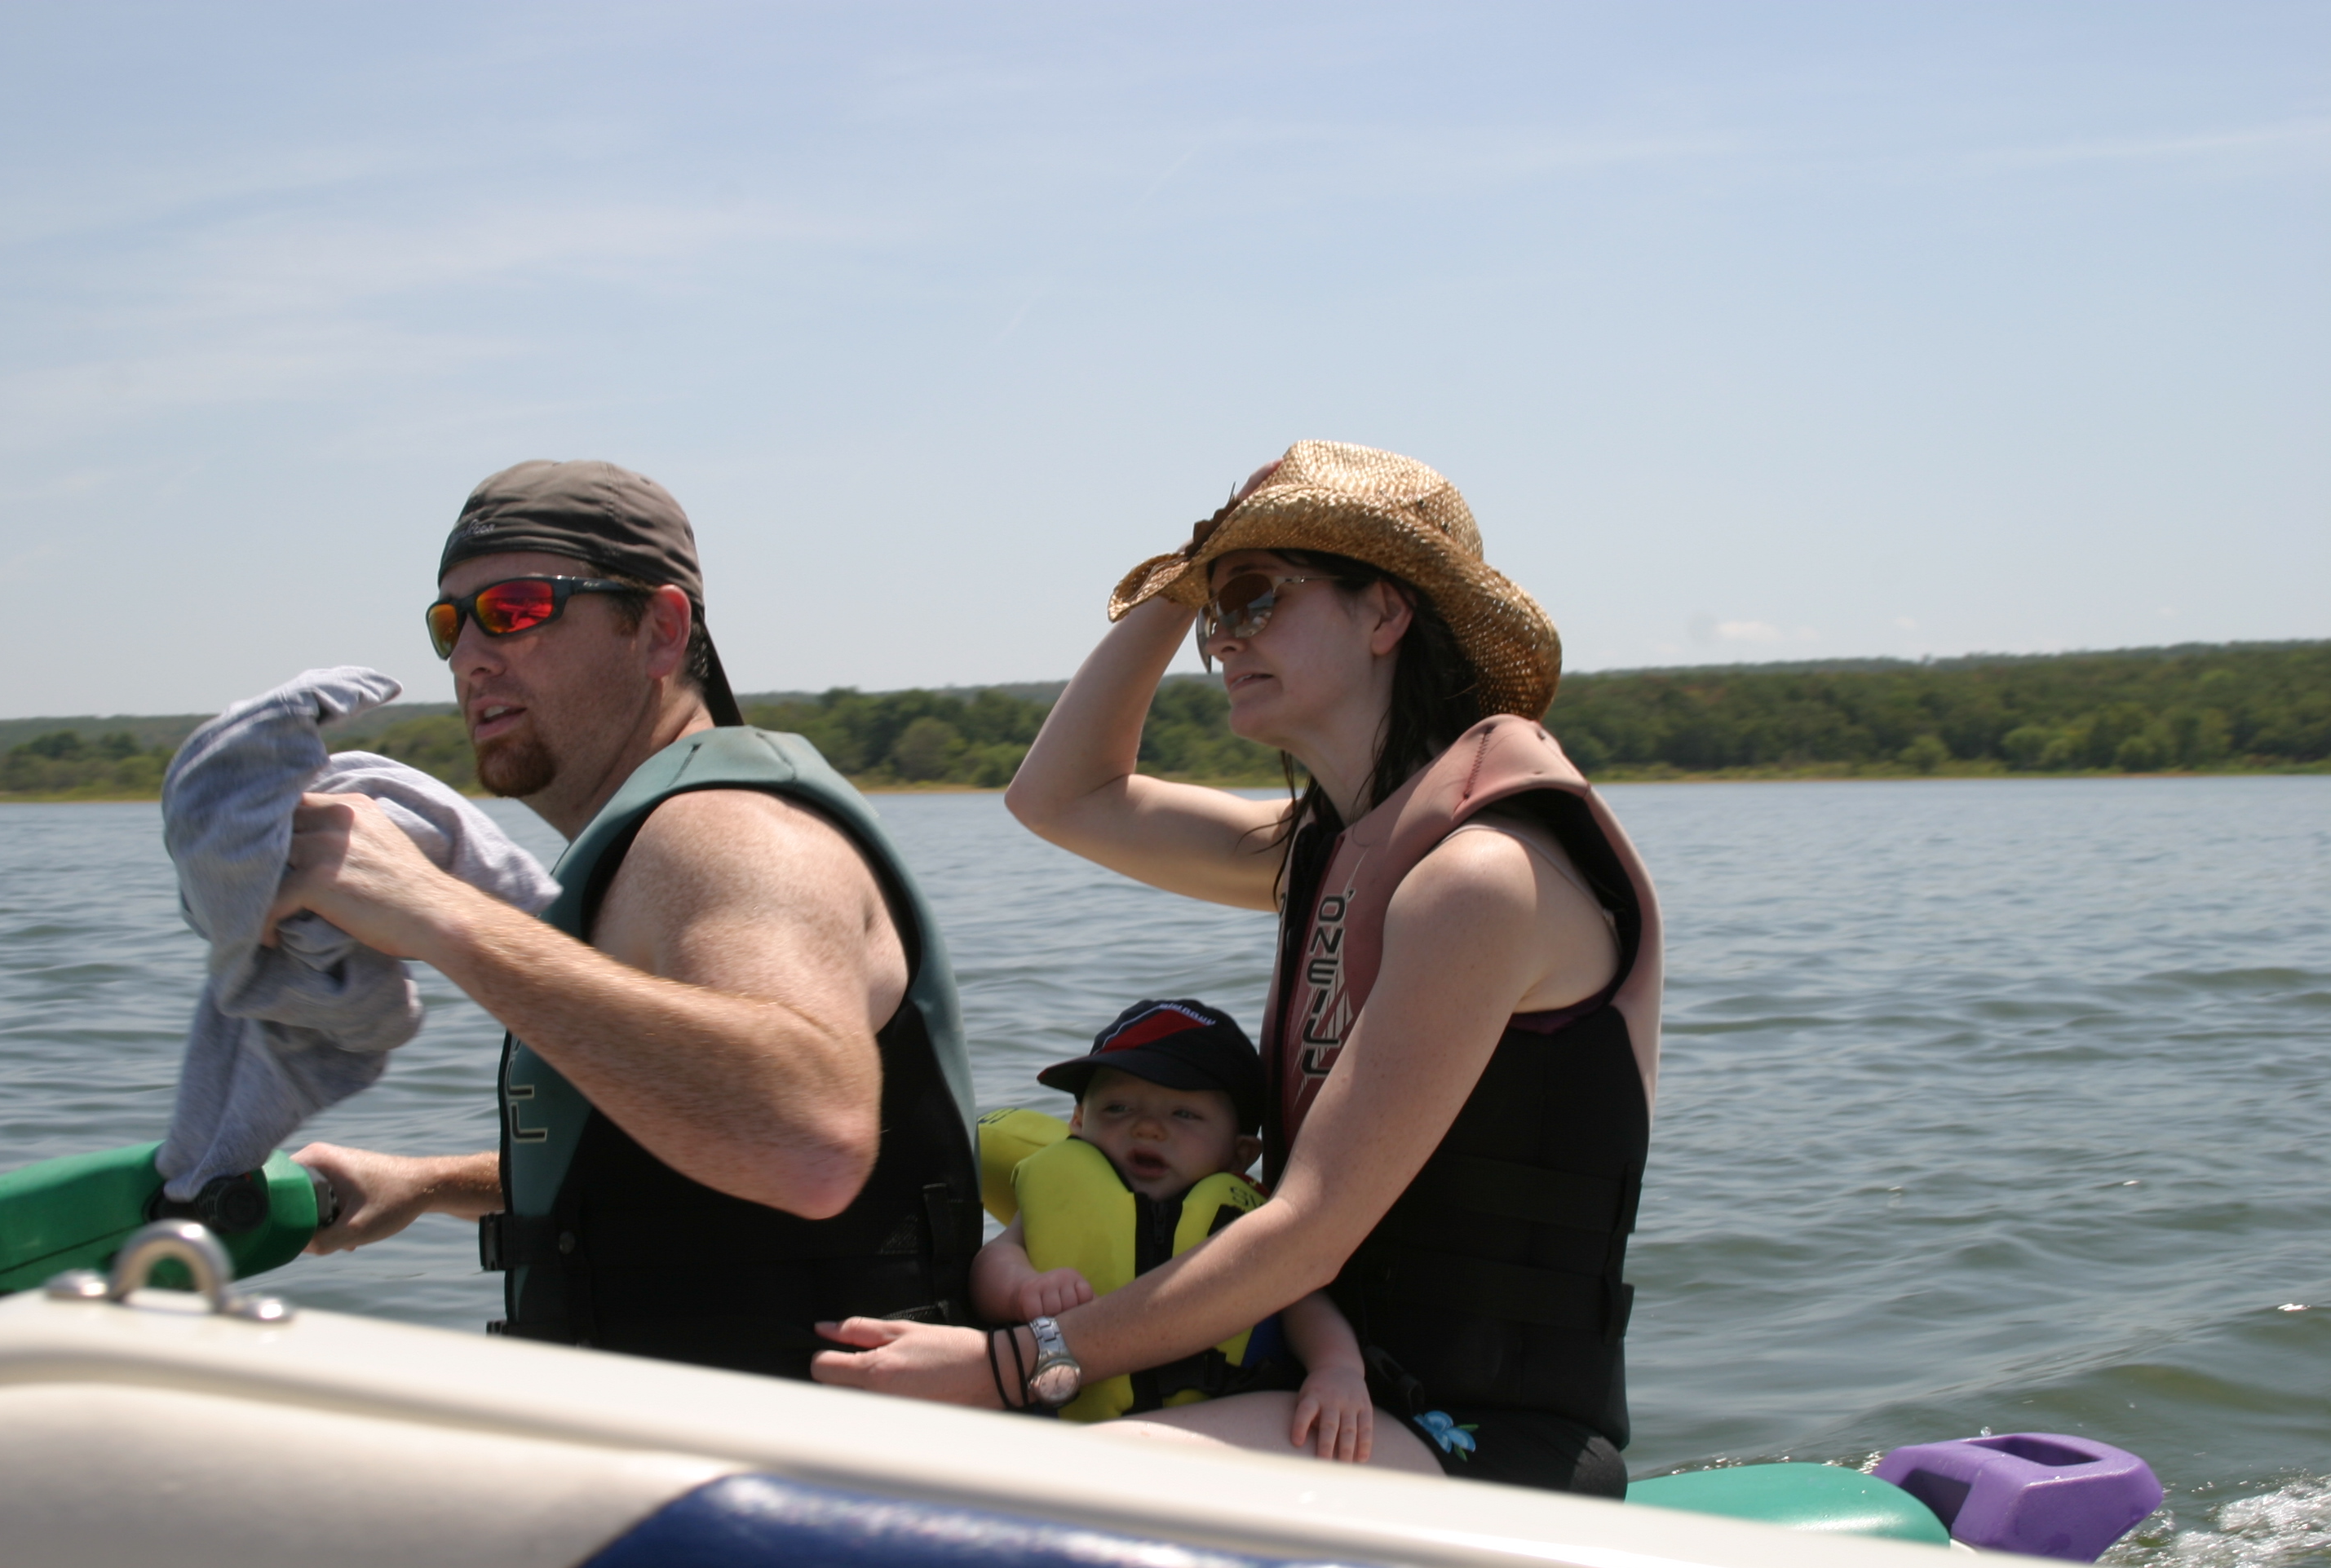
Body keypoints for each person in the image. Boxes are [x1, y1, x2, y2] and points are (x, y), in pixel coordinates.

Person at [814, 440, 1661, 1496]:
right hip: (1324, 1385)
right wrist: (1187, 574)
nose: (1220, 642)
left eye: (1256, 599)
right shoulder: (1327, 851)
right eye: (1214, 615)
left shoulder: (1485, 879)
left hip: (1484, 1435)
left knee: (1034, 1495)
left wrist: (1009, 1366)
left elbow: (1304, 1235)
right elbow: (1060, 797)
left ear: (1386, 615)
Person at [275, 459, 983, 1377]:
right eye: (450, 624)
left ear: (659, 629)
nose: (470, 656)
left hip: (801, 1484)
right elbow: (680, 1148)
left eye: (517, 609)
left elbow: (809, 1140)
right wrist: (432, 1185)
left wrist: (433, 908)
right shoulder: (651, 841)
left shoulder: (722, 831)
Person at [975, 999, 1373, 1463]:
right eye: (1118, 1107)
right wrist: (1024, 1288)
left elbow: (1305, 1303)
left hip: (1221, 1425)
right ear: (1079, 1123)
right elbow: (994, 1260)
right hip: (1067, 1413)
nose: (1146, 1128)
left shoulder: (1248, 1221)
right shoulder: (1062, 1195)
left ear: (1239, 1153)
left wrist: (1338, 1368)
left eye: (1183, 1115)